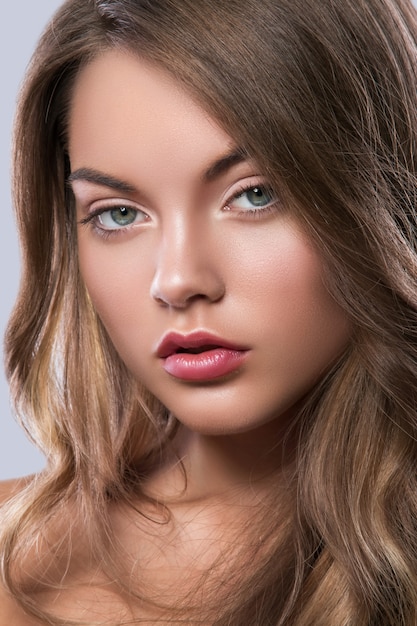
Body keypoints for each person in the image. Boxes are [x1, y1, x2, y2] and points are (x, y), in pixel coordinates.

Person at [1, 0, 417, 623]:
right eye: (118, 213)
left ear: (379, 197)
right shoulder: (15, 552)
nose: (176, 281)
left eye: (255, 195)